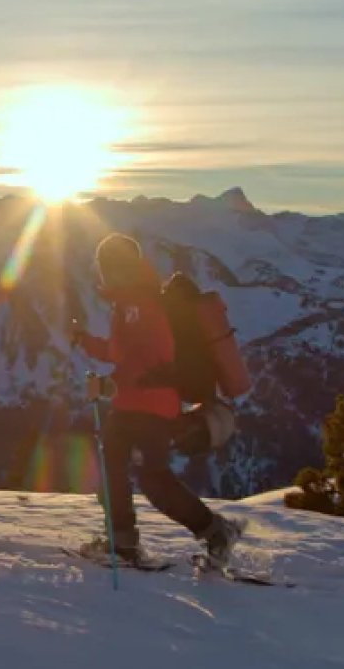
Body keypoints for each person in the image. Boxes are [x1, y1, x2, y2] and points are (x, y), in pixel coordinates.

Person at [71, 232, 242, 568]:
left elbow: (147, 355)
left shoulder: (135, 302)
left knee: (126, 471)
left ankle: (126, 543)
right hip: (152, 403)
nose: (103, 274)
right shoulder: (137, 298)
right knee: (144, 475)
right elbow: (124, 352)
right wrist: (86, 342)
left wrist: (110, 384)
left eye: (105, 266)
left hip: (142, 404)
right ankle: (211, 532)